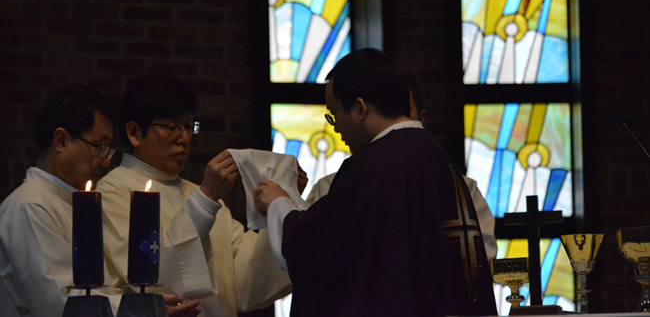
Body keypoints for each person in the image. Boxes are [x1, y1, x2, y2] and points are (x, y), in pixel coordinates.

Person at [255, 48, 498, 316]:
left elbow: (314, 250)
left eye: (334, 114)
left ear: (360, 108)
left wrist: (278, 203)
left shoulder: (374, 168)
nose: (335, 127)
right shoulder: (439, 160)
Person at [98, 74, 292, 317]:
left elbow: (245, 281)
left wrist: (283, 208)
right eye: (171, 127)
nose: (184, 138)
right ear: (134, 132)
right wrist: (206, 199)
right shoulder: (112, 193)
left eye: (189, 127)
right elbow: (152, 277)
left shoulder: (197, 193)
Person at [0, 85, 199, 317]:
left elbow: (97, 294)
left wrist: (142, 304)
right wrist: (139, 310)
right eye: (99, 147)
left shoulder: (73, 203)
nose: (105, 161)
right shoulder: (29, 207)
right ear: (61, 141)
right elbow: (60, 305)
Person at [305, 74, 499, 260]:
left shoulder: (461, 191)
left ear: (420, 119)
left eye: (403, 113)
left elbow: (481, 262)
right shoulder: (329, 189)